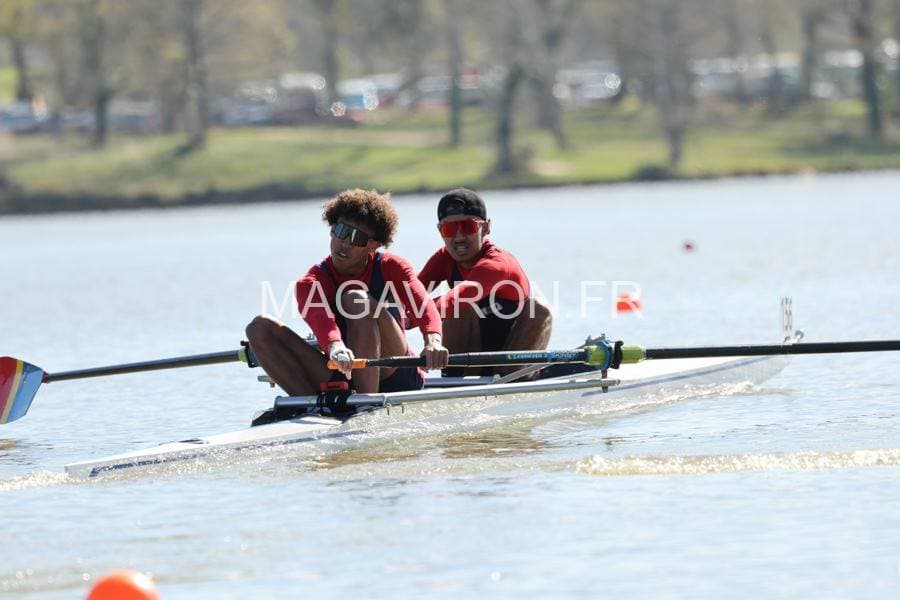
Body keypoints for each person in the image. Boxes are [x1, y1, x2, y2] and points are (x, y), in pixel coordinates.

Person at [246, 189, 449, 395]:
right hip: (344, 368)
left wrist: (433, 342)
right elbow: (320, 318)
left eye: (356, 237)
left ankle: (365, 403)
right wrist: (335, 346)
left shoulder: (392, 266)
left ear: (373, 245)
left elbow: (423, 305)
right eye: (340, 231)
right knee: (258, 327)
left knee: (355, 300)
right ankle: (311, 404)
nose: (344, 243)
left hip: (397, 374)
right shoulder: (311, 282)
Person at [418, 188, 552, 373]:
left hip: (509, 363)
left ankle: (520, 377)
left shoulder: (498, 264)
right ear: (440, 231)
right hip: (468, 360)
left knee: (539, 309)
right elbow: (410, 295)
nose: (458, 237)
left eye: (468, 227)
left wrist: (408, 319)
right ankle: (454, 378)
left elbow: (455, 299)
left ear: (486, 227)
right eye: (449, 229)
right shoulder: (444, 259)